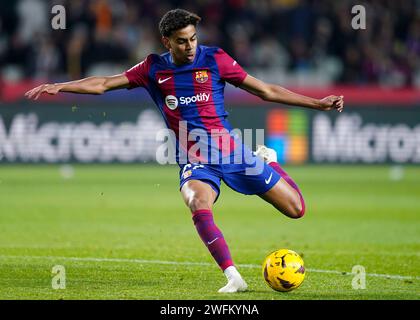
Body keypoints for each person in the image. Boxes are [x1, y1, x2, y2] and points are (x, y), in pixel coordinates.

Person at [25, 9, 344, 293]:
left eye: (193, 39)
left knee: (296, 210)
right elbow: (104, 83)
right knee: (196, 201)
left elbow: (266, 90)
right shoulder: (152, 69)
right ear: (167, 42)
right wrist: (60, 85)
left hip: (233, 153)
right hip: (196, 159)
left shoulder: (215, 58)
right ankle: (233, 276)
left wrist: (317, 103)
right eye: (182, 41)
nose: (190, 46)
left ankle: (267, 162)